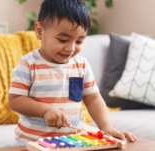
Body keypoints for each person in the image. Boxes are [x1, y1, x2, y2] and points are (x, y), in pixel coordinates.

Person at [8, 0, 136, 146]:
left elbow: (93, 98)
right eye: (63, 40)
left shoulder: (81, 65)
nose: (71, 48)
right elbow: (16, 99)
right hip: (32, 142)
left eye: (79, 41)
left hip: (72, 141)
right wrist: (45, 110)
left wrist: (106, 126)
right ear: (39, 31)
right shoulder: (28, 63)